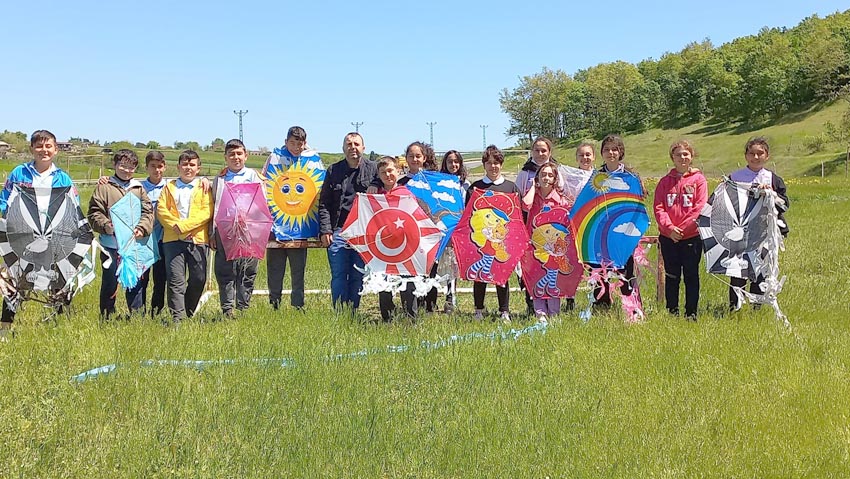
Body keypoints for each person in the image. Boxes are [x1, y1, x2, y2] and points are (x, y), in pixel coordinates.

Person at [0, 130, 80, 340]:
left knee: (59, 279)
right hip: (21, 237)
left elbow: (74, 207)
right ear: (31, 149)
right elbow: (4, 200)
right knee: (14, 280)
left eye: (48, 146)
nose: (43, 150)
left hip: (54, 238)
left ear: (55, 150)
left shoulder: (63, 178)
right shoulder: (19, 173)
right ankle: (6, 328)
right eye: (39, 146)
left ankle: (59, 326)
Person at [87, 149, 155, 319]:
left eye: (131, 167)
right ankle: (107, 316)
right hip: (111, 246)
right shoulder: (104, 187)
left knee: (136, 282)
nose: (126, 170)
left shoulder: (138, 189)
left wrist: (142, 228)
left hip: (134, 245)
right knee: (110, 282)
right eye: (123, 166)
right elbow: (94, 213)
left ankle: (137, 317)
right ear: (115, 165)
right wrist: (108, 227)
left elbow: (148, 212)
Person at [262, 126, 320, 311]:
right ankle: (274, 304)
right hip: (276, 226)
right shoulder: (274, 158)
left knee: (298, 270)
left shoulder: (313, 160)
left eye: (300, 143)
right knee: (275, 269)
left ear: (305, 143)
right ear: (285, 141)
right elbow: (263, 183)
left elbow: (319, 187)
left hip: (301, 226)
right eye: (292, 143)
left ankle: (298, 305)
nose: (296, 147)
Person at [728, 136, 789, 311]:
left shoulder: (772, 179)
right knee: (738, 271)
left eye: (760, 153)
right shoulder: (735, 177)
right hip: (739, 231)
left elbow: (784, 204)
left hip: (764, 233)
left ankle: (757, 308)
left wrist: (772, 194)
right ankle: (735, 308)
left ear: (767, 156)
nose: (756, 157)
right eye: (751, 153)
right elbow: (723, 202)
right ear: (746, 155)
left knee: (760, 271)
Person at [318, 132, 377, 312]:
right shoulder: (333, 171)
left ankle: (353, 312)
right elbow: (324, 203)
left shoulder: (374, 170)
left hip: (364, 232)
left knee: (358, 274)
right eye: (349, 144)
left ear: (363, 148)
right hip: (339, 230)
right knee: (339, 275)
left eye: (356, 144)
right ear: (343, 148)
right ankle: (339, 313)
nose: (353, 147)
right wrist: (325, 230)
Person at [653, 140, 707, 320]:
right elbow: (659, 207)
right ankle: (672, 311)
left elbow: (699, 208)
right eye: (678, 154)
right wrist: (669, 228)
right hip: (668, 237)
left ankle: (691, 313)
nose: (682, 157)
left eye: (686, 154)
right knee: (672, 275)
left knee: (691, 275)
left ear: (691, 156)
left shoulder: (699, 180)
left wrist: (682, 229)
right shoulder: (664, 182)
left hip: (691, 236)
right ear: (672, 158)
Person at [157, 150, 213, 322]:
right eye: (184, 164)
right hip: (173, 240)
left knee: (199, 278)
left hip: (197, 240)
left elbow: (207, 211)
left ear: (198, 168)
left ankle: (188, 311)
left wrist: (184, 227)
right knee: (175, 280)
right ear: (178, 167)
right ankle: (178, 319)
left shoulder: (203, 187)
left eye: (192, 165)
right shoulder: (169, 187)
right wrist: (177, 228)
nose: (188, 168)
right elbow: (161, 210)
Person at [467, 145, 520, 323]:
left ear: (501, 164)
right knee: (480, 275)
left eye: (496, 163)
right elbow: (468, 215)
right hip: (481, 241)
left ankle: (504, 310)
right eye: (489, 163)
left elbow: (517, 217)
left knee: (502, 274)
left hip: (503, 240)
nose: (493, 166)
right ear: (484, 165)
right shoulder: (475, 188)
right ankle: (478, 309)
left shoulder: (511, 187)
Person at [211, 139, 264, 317]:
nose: (236, 157)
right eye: (231, 154)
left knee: (247, 269)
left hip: (250, 229)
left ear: (246, 156)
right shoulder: (219, 178)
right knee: (226, 270)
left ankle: (243, 307)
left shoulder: (254, 176)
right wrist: (212, 232)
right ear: (225, 157)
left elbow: (263, 204)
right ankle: (227, 308)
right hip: (225, 229)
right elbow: (214, 205)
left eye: (239, 153)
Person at [592, 134, 646, 308]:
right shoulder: (596, 176)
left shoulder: (631, 176)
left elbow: (639, 205)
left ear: (620, 152)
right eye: (606, 149)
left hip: (624, 232)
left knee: (625, 269)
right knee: (600, 268)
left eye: (614, 149)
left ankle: (630, 308)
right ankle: (602, 305)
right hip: (601, 233)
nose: (610, 153)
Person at [521, 160, 570, 324]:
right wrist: (534, 187)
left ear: (555, 179)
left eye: (550, 175)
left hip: (554, 248)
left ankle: (554, 312)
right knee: (535, 276)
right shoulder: (532, 197)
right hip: (534, 245)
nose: (546, 178)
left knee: (554, 278)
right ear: (537, 177)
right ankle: (540, 312)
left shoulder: (561, 200)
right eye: (543, 175)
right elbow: (525, 205)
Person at [373, 156, 419, 321]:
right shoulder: (374, 196)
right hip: (382, 249)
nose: (387, 175)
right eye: (383, 172)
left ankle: (411, 318)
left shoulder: (407, 194)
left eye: (390, 171)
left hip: (405, 248)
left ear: (398, 171)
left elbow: (416, 218)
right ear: (378, 175)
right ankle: (387, 317)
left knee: (407, 284)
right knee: (384, 284)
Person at [437, 150, 469, 314]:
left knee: (453, 265)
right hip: (441, 229)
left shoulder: (466, 185)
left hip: (458, 230)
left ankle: (451, 297)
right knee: (437, 264)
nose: (453, 165)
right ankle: (430, 298)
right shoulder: (439, 183)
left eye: (456, 162)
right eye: (450, 161)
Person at [136, 151, 168, 317]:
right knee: (141, 278)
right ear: (146, 167)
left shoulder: (171, 186)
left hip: (163, 239)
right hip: (143, 240)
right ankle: (138, 311)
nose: (157, 170)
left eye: (160, 166)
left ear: (165, 167)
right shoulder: (138, 187)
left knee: (161, 278)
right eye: (153, 166)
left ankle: (156, 311)